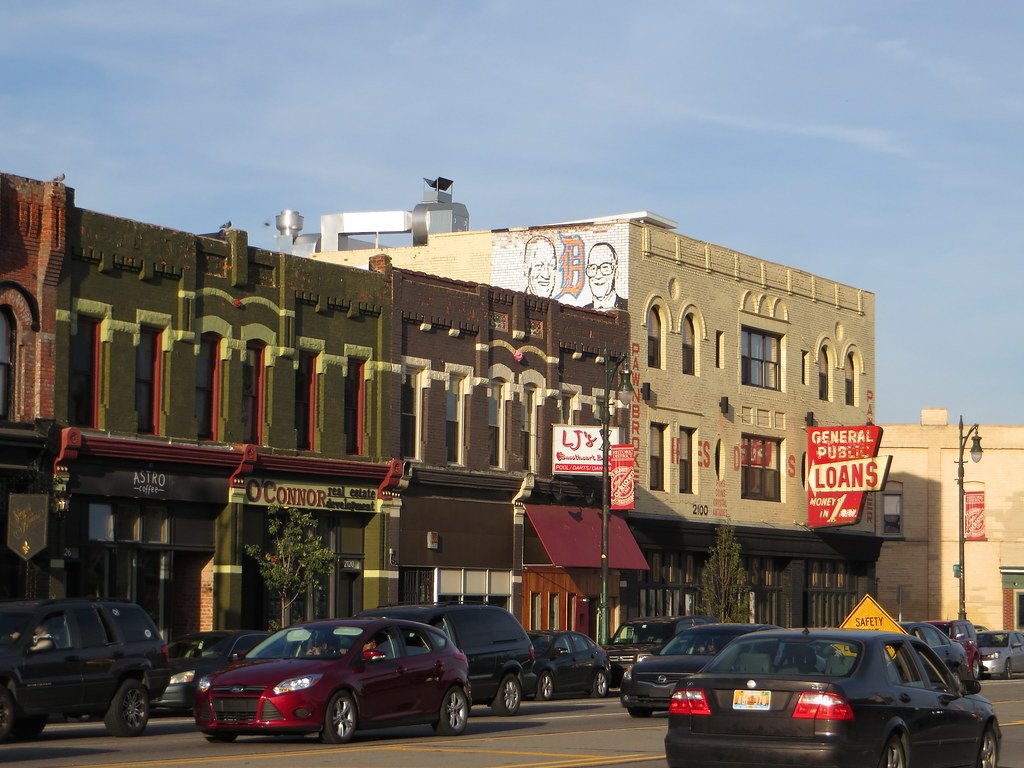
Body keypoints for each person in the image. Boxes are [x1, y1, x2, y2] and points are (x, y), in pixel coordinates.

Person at [584, 242, 625, 310]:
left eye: (605, 267)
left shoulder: (627, 307)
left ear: (615, 272)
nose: (598, 275)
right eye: (592, 268)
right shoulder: (582, 312)